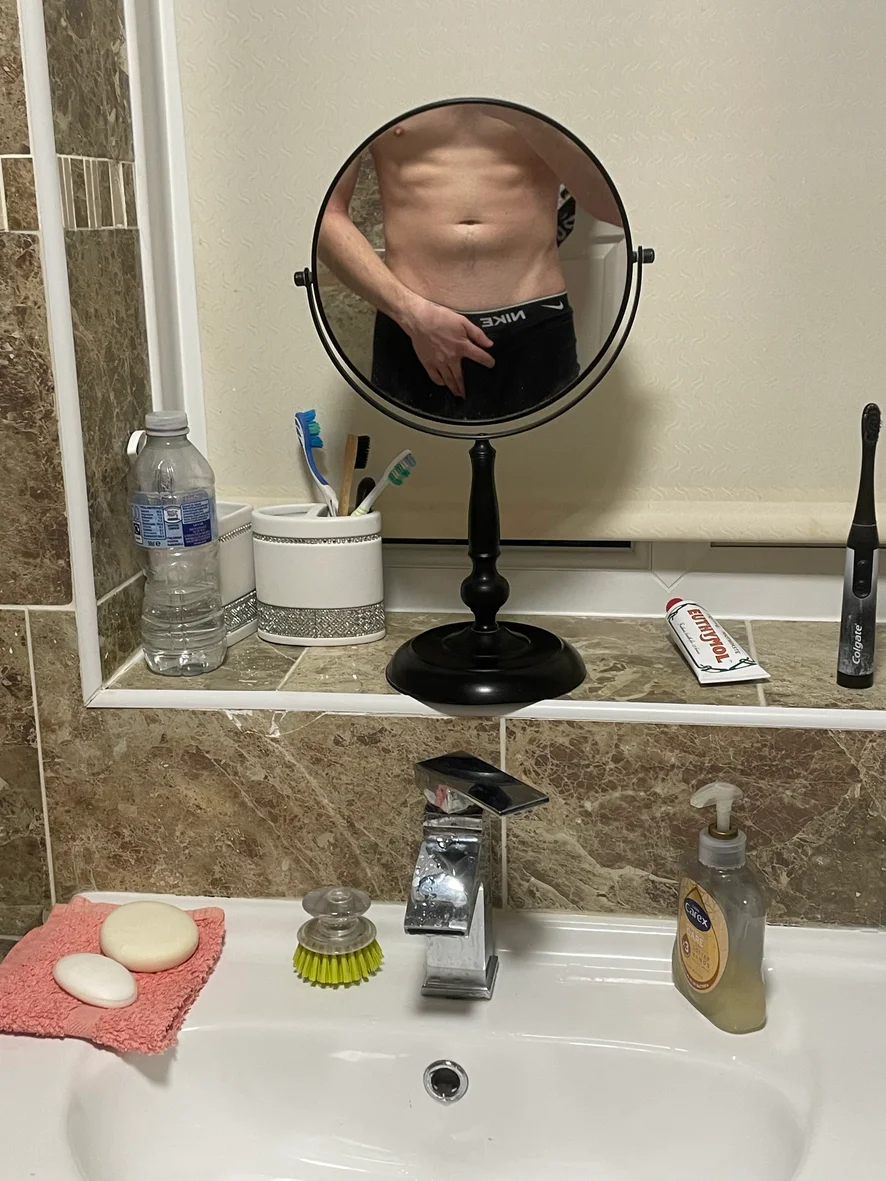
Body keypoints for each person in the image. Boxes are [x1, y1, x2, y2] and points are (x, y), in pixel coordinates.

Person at [318, 102, 623, 421]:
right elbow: (324, 215)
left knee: (553, 454)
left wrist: (530, 121)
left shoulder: (546, 85)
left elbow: (614, 208)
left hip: (535, 327)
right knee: (411, 455)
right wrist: (411, 314)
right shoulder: (377, 84)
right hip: (414, 328)